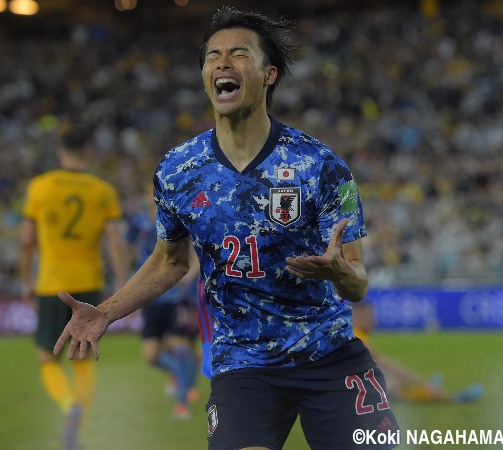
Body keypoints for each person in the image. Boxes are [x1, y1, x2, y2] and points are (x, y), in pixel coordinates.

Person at [53, 7, 399, 450]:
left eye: (239, 53)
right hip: (243, 363)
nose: (223, 63)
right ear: (204, 76)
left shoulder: (320, 166)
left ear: (269, 74)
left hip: (328, 354)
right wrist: (105, 312)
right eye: (213, 56)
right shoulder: (178, 171)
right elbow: (169, 262)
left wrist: (340, 272)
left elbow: (358, 284)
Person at [20, 125, 128, 450]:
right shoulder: (103, 190)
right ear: (89, 153)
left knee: (46, 357)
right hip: (89, 283)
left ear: (60, 152)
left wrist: (26, 281)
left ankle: (69, 407)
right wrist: (122, 283)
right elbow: (115, 241)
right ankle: (77, 422)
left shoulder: (40, 187)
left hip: (51, 283)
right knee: (82, 358)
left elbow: (26, 240)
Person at [125, 187, 201, 419]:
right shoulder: (138, 222)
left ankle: (182, 402)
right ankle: (182, 372)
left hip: (175, 297)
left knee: (179, 346)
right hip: (151, 298)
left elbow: (195, 253)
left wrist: (188, 276)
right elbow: (130, 249)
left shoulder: (178, 218)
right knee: (151, 355)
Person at [352, 301, 483, 404]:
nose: (374, 320)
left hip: (351, 387)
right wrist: (422, 381)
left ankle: (436, 394)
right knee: (394, 383)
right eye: (369, 316)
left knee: (393, 383)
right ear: (358, 318)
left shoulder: (356, 335)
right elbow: (386, 364)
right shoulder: (359, 337)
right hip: (353, 391)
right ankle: (447, 397)